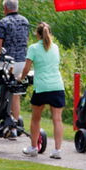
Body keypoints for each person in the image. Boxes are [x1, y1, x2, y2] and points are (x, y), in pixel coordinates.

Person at [19, 21, 65, 160]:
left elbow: (26, 69)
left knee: (36, 118)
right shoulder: (55, 47)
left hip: (42, 87)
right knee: (57, 119)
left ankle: (33, 147)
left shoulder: (33, 48)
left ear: (37, 34)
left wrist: (20, 78)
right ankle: (57, 150)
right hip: (57, 86)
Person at [0, 0, 31, 134]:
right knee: (15, 94)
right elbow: (25, 40)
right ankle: (14, 125)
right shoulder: (25, 21)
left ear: (6, 8)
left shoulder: (4, 22)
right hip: (21, 61)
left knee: (2, 92)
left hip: (8, 62)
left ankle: (0, 121)